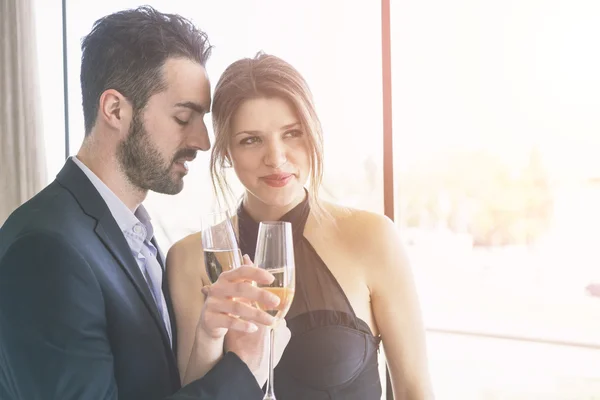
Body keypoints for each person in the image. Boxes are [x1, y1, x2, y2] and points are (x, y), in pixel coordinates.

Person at [0, 7, 290, 400]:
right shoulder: (45, 248)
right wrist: (244, 371)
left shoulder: (136, 235)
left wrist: (209, 336)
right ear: (115, 110)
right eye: (183, 117)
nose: (203, 142)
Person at [167, 52, 435, 399]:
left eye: (292, 133)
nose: (276, 158)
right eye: (251, 139)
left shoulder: (371, 238)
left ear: (313, 134)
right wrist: (210, 334)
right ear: (226, 153)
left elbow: (415, 391)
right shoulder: (192, 258)